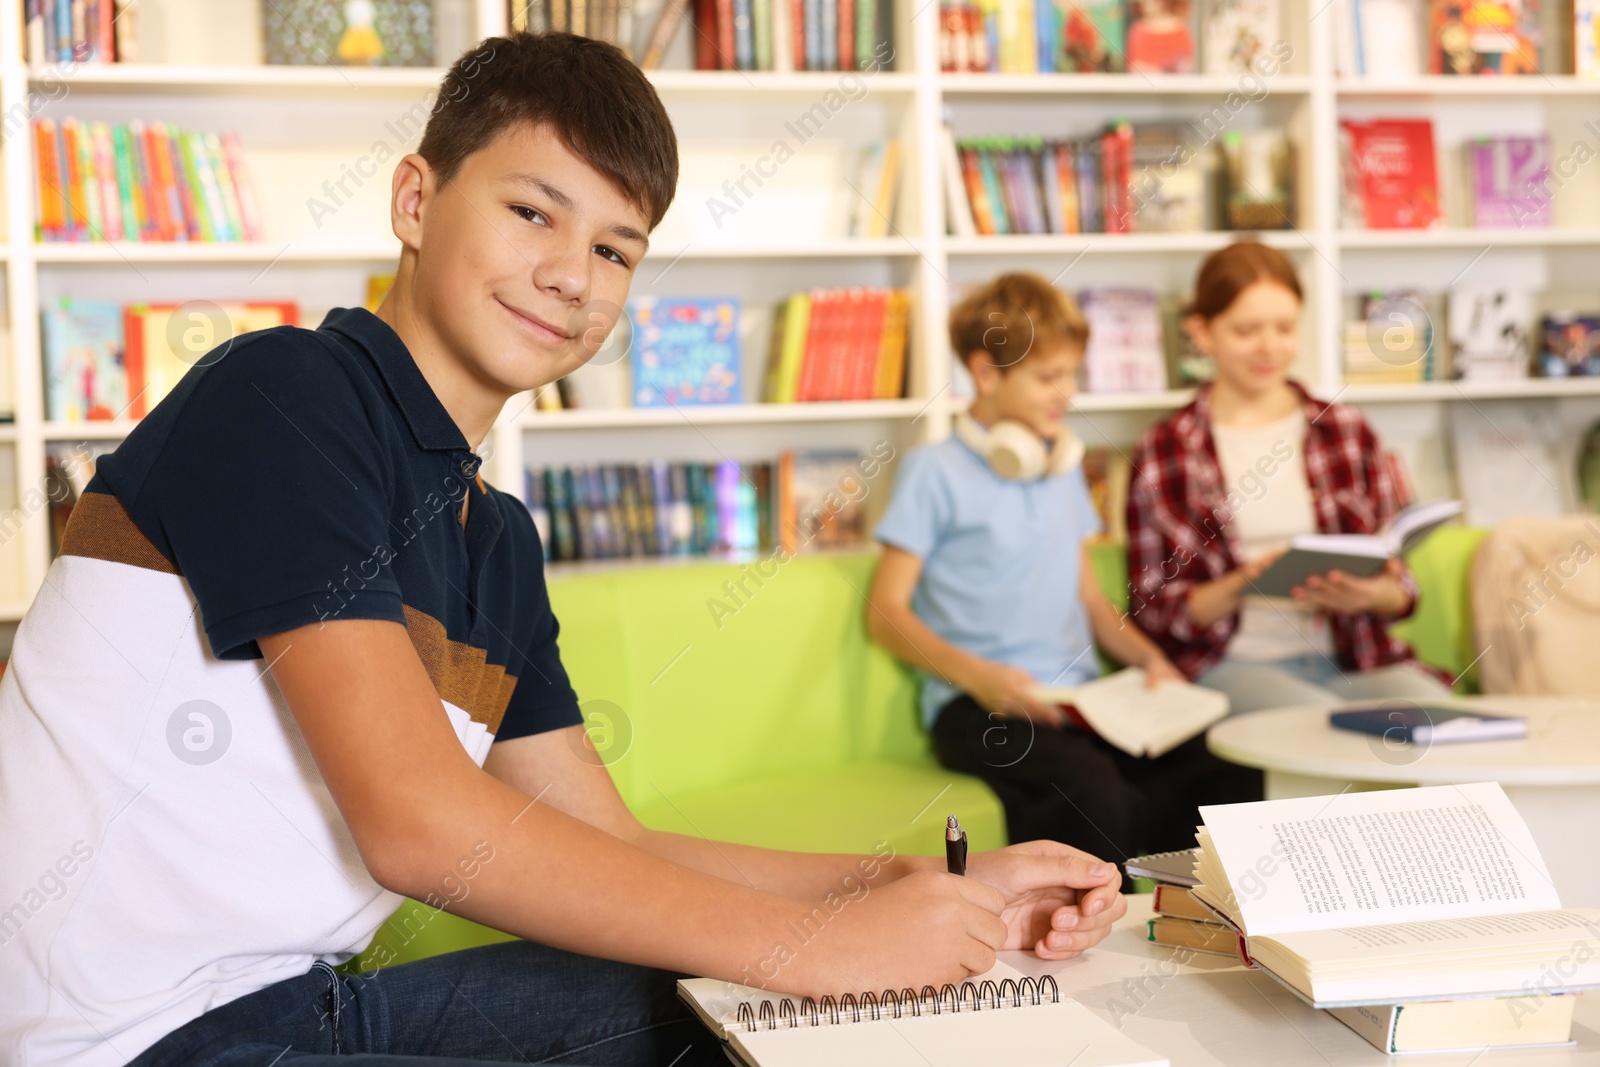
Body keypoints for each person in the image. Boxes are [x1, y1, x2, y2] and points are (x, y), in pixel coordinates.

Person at [0, 34, 1130, 1067]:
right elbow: (421, 823)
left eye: (614, 248)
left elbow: (609, 841)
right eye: (533, 213)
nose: (572, 275)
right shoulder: (284, 395)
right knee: (792, 989)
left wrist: (924, 889)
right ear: (414, 199)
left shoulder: (495, 537)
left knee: (737, 1007)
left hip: (303, 1004)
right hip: (124, 1042)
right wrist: (822, 947)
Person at [866, 273, 1261, 875]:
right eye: (1048, 378)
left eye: (1072, 374)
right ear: (986, 372)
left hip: (1077, 699)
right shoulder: (933, 472)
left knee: (1225, 766)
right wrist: (979, 678)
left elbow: (1091, 601)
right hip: (979, 707)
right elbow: (886, 613)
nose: (1066, 394)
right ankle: (1086, 940)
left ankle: (1184, 925)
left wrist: (1153, 663)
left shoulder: (1061, 468)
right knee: (1090, 785)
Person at [1126, 241, 1455, 716]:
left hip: (1355, 659)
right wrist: (1241, 584)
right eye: (1246, 330)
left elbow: (1402, 587)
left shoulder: (1345, 430)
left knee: (1444, 725)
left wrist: (1371, 593)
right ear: (1202, 333)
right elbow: (1151, 613)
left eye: (1284, 328)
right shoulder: (1165, 450)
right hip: (1233, 664)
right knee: (1313, 733)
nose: (1268, 348)